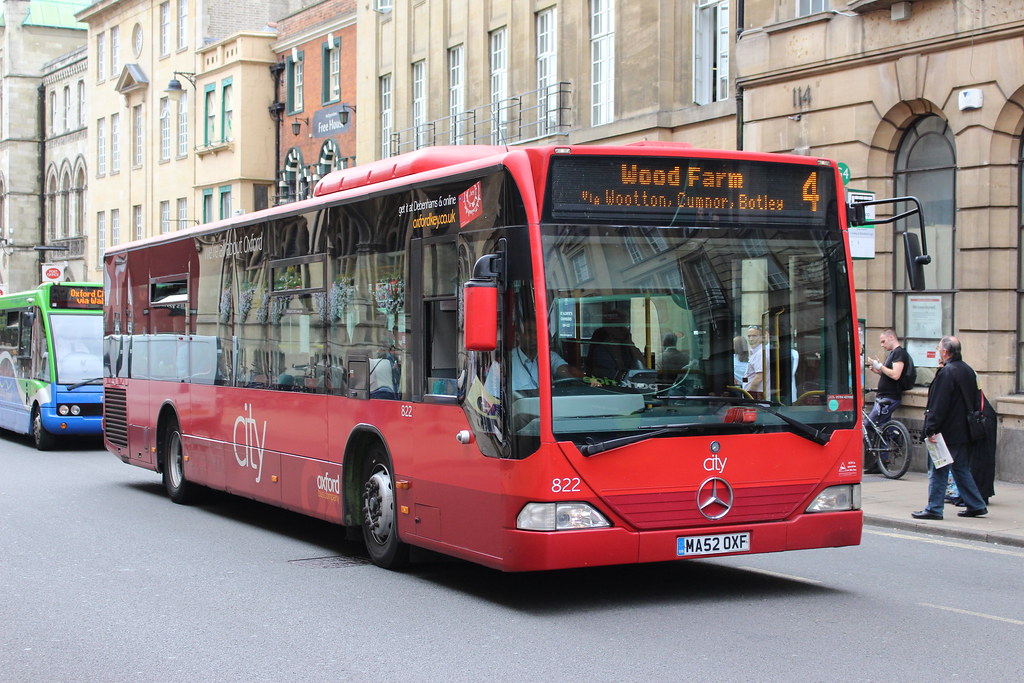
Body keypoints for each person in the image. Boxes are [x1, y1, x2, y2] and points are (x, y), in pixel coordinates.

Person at [912, 336, 988, 520]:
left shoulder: (947, 373)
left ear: (945, 352)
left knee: (938, 469)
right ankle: (976, 505)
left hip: (946, 432)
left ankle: (934, 508)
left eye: (939, 348)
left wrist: (930, 429)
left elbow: (939, 405)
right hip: (964, 430)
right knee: (961, 468)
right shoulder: (968, 370)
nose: (938, 351)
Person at [866, 328, 910, 470]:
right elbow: (889, 376)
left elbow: (896, 375)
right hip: (884, 396)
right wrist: (879, 370)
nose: (882, 345)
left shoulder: (899, 353)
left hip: (888, 398)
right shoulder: (893, 354)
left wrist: (881, 367)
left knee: (868, 424)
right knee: (880, 427)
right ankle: (881, 460)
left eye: (883, 341)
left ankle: (891, 440)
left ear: (891, 337)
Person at [742, 326, 765, 397]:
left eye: (754, 336)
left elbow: (759, 377)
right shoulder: (755, 352)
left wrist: (749, 395)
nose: (751, 339)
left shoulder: (760, 353)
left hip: (754, 394)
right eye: (749, 336)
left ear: (761, 337)